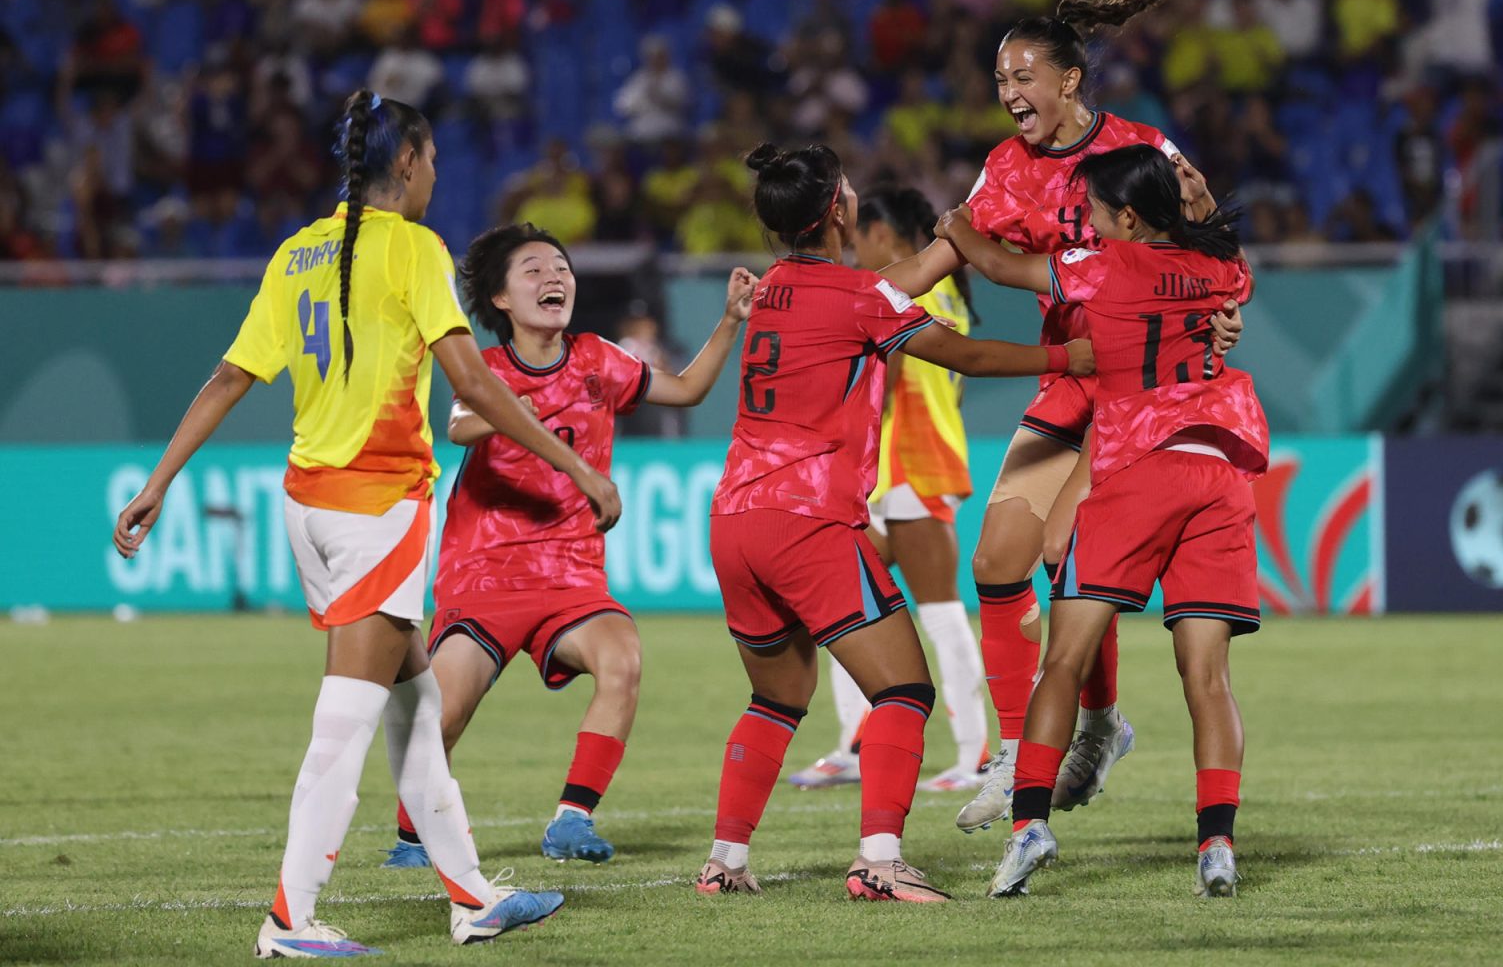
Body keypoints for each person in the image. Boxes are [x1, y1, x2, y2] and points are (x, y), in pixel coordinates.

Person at [112, 91, 622, 958]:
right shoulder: (414, 249)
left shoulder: (299, 251)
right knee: (344, 724)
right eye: (432, 162)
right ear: (409, 163)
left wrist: (160, 479)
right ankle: (288, 920)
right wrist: (577, 467)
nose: (436, 176)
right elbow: (480, 384)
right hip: (375, 509)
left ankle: (471, 898)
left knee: (417, 707)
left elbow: (232, 376)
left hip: (309, 503)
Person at [877, 0, 1245, 834]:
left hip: (1140, 385)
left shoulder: (1144, 149)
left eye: (1024, 74)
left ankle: (1087, 731)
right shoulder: (1005, 168)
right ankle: (1055, 737)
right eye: (1000, 77)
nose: (1009, 91)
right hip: (1073, 373)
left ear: (1071, 80)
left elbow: (1213, 242)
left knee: (1058, 544)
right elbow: (941, 253)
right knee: (997, 557)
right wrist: (854, 304)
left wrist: (1225, 312)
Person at [696, 142, 1093, 904]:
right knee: (905, 691)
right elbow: (968, 355)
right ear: (838, 209)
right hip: (806, 521)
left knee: (776, 698)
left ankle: (725, 860)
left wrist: (954, 240)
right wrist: (1067, 357)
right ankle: (879, 860)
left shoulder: (778, 288)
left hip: (735, 521)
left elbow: (885, 286)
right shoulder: (856, 300)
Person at [932, 142, 1266, 898]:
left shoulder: (1100, 266)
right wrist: (1205, 203)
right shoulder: (1218, 272)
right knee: (1208, 679)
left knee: (1063, 660)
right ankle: (1217, 846)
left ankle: (1028, 829)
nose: (1081, 220)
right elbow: (1234, 264)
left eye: (1092, 210)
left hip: (1136, 474)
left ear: (1126, 216)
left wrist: (956, 220)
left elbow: (996, 265)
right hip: (1218, 477)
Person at [380, 223, 754, 869]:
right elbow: (466, 423)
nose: (554, 277)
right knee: (447, 711)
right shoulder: (485, 370)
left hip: (571, 576)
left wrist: (729, 321)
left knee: (623, 660)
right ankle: (414, 836)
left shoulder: (597, 360)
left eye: (561, 267)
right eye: (533, 270)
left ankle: (573, 819)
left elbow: (687, 390)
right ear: (499, 298)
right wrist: (533, 422)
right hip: (485, 573)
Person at [787, 184, 989, 794]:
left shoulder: (916, 287)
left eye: (864, 237)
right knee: (842, 604)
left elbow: (888, 362)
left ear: (882, 235)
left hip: (916, 466)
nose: (857, 250)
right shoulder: (937, 285)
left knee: (939, 611)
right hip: (892, 471)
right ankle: (855, 743)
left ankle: (977, 752)